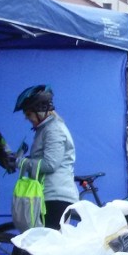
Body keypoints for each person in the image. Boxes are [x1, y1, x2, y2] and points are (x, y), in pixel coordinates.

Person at [13, 85, 80, 229]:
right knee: (46, 245)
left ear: (40, 111)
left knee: (49, 246)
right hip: (49, 195)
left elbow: (50, 164)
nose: (27, 119)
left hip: (56, 196)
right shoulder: (45, 129)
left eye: (29, 114)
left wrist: (21, 162)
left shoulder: (54, 130)